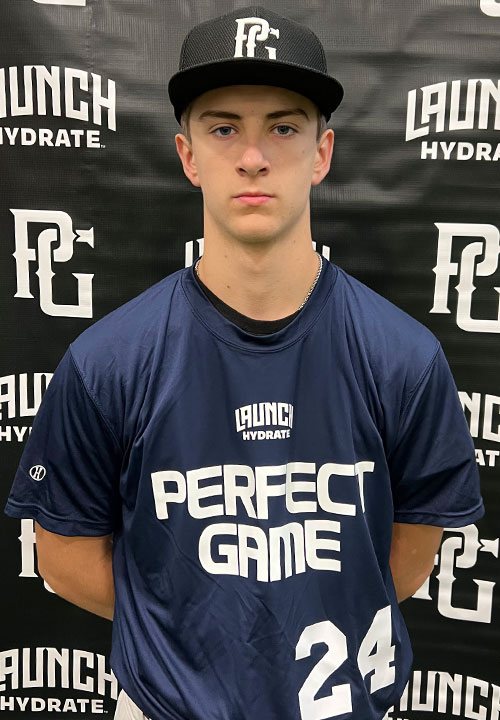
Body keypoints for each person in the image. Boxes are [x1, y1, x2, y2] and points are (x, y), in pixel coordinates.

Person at [4, 5, 484, 720]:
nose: (253, 156)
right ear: (187, 155)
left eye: (283, 128)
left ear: (322, 154)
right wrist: (200, 637)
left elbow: (410, 556)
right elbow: (66, 559)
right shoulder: (106, 362)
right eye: (223, 128)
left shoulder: (404, 358)